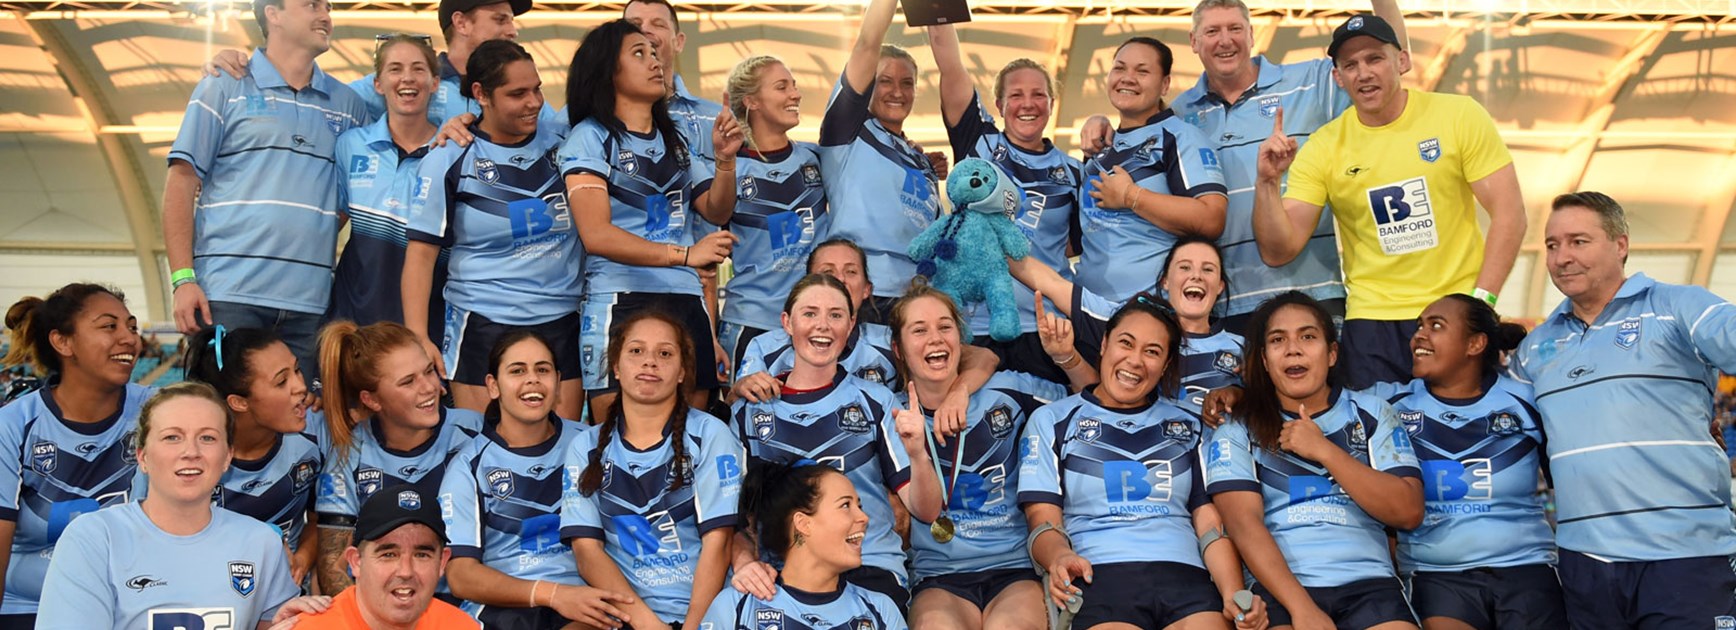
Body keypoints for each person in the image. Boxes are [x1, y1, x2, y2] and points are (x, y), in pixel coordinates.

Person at [1082, 0, 1408, 334]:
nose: (1225, 40)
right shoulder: (1181, 114)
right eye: (1212, 31)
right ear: (1194, 41)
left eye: (1234, 29)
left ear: (1251, 35)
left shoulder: (1310, 82)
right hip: (1223, 303)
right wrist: (1101, 124)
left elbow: (1390, 59)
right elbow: (1138, 119)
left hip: (1311, 292)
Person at [1253, 13, 1526, 390]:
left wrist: (1481, 302)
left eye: (1375, 58)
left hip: (1454, 311)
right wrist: (1268, 182)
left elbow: (1510, 215)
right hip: (1373, 321)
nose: (1363, 73)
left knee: (1462, 423)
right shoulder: (1324, 146)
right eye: (1350, 65)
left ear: (1402, 60)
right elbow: (1279, 249)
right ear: (1338, 78)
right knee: (1376, 428)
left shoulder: (1458, 115)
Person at [1511, 191, 1736, 627]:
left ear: (1621, 245)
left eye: (1579, 241)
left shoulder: (1676, 307)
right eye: (1552, 245)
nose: (1562, 257)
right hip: (1585, 564)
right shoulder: (1535, 347)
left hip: (1686, 556)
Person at [1020, 296, 1268, 630]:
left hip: (1186, 577)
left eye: (1152, 351)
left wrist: (1232, 592)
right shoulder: (1051, 420)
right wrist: (1059, 557)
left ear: (1166, 365)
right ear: (1104, 345)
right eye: (1126, 343)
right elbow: (1042, 521)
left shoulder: (1190, 424)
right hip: (1097, 575)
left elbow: (1209, 522)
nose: (1135, 361)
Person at [163, 0, 368, 375]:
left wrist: (308, 232)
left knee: (301, 413)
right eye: (312, 5)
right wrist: (182, 279)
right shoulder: (223, 84)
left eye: (328, 7)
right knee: (220, 409)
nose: (325, 15)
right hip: (227, 295)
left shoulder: (350, 106)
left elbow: (351, 197)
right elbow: (181, 182)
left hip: (311, 305)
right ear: (273, 14)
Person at [1205, 292, 1423, 630]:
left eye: (1307, 337)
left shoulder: (1373, 412)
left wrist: (1324, 450)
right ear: (1264, 360)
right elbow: (1244, 526)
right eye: (1278, 340)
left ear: (1332, 353)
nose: (1293, 349)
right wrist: (1302, 608)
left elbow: (1408, 512)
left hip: (1370, 585)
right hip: (1280, 590)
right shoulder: (1237, 428)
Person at [727, 274, 943, 612]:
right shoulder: (749, 410)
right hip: (783, 573)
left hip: (867, 565)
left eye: (836, 315)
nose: (823, 326)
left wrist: (918, 454)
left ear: (851, 324)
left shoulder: (876, 401)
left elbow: (926, 511)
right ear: (787, 322)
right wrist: (744, 562)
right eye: (810, 313)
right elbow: (732, 520)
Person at [561, 19, 743, 418]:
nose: (655, 61)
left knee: (690, 432)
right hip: (620, 297)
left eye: (654, 52)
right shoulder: (590, 137)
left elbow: (716, 209)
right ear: (608, 70)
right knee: (615, 433)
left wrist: (725, 162)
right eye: (639, 54)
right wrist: (685, 255)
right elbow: (597, 235)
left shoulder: (674, 138)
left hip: (686, 298)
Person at [404, 39, 585, 420]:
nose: (534, 102)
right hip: (482, 320)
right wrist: (418, 337)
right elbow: (420, 257)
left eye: (537, 89)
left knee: (563, 442)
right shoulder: (449, 157)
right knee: (481, 443)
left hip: (561, 319)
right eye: (517, 94)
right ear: (481, 94)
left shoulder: (567, 143)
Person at [36, 383, 309, 629]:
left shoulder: (260, 542)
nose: (191, 452)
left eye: (207, 438)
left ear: (227, 457)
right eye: (172, 437)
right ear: (142, 456)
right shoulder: (95, 538)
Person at [888, 287, 1073, 630]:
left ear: (961, 338)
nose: (935, 338)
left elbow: (1086, 400)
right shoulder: (892, 414)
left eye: (945, 327)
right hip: (939, 574)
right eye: (919, 330)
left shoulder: (1007, 390)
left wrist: (1067, 359)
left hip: (1014, 568)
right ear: (898, 349)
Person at [1376, 295, 1565, 628]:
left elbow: (1567, 479)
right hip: (1436, 574)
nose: (1419, 335)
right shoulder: (1388, 403)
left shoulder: (1526, 399)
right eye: (1419, 326)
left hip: (1527, 567)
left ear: (1475, 344)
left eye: (1436, 326)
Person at [561, 311, 747, 629]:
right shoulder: (585, 446)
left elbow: (719, 543)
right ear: (616, 367)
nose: (649, 362)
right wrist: (648, 625)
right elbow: (587, 552)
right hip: (626, 615)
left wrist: (692, 626)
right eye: (636, 351)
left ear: (682, 371)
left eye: (665, 353)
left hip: (703, 613)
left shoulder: (710, 434)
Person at [439, 332, 635, 628]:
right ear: (493, 386)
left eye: (542, 370)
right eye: (517, 371)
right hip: (504, 608)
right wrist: (552, 594)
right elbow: (461, 575)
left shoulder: (591, 444)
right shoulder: (469, 465)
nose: (532, 379)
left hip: (587, 604)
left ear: (558, 382)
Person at [928, 25, 1084, 386]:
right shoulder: (978, 142)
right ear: (998, 105)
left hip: (1045, 327)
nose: (1027, 104)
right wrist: (938, 13)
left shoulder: (1075, 171)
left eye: (1038, 94)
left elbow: (1072, 245)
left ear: (1051, 103)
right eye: (1016, 95)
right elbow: (949, 63)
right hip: (976, 326)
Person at [0, 284, 150, 628]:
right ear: (62, 342)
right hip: (29, 608)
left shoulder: (158, 409)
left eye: (132, 326)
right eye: (109, 326)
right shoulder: (13, 425)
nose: (129, 338)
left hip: (128, 607)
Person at [137, 326, 325, 588]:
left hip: (286, 595)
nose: (301, 387)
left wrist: (301, 561)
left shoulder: (316, 430)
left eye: (297, 370)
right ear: (239, 402)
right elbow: (152, 542)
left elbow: (320, 520)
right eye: (282, 381)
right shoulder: (187, 457)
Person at [315, 321, 484, 595]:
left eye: (428, 371)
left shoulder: (475, 432)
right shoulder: (348, 453)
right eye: (408, 381)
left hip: (464, 602)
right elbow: (332, 566)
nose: (428, 387)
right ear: (371, 400)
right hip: (382, 606)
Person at [1011, 236, 1244, 421]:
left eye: (1208, 269)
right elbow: (1052, 283)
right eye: (1184, 267)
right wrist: (995, 242)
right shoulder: (1127, 320)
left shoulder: (1244, 348)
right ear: (1164, 280)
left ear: (1220, 286)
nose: (1196, 276)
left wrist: (1239, 392)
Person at [1074, 36, 1228, 305]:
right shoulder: (1100, 145)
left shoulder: (1179, 137)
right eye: (1119, 68)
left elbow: (1212, 219)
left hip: (1152, 309)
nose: (1128, 78)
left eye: (1142, 71)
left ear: (1165, 84)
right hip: (1090, 308)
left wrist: (1132, 196)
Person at [819, 0, 942, 325]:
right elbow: (867, 43)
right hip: (863, 293)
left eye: (907, 83)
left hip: (915, 298)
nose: (897, 92)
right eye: (885, 80)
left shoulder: (919, 159)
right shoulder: (848, 128)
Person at [714, 55, 833, 369]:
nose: (796, 94)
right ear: (751, 101)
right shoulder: (729, 168)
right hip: (751, 321)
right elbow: (706, 258)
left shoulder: (814, 158)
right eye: (782, 87)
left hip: (814, 323)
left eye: (794, 86)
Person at [331, 35, 448, 342]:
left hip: (428, 324)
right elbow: (329, 225)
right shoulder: (350, 145)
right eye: (395, 69)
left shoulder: (453, 152)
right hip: (356, 320)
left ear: (435, 83)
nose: (407, 78)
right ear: (378, 84)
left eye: (418, 69)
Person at [701, 462, 908, 629]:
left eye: (859, 506)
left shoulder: (880, 610)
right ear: (803, 523)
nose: (863, 517)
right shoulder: (736, 606)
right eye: (846, 505)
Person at [293, 484, 481, 629]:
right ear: (356, 562)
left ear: (442, 563)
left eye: (421, 555)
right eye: (389, 554)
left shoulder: (461, 625)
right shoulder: (311, 627)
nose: (406, 571)